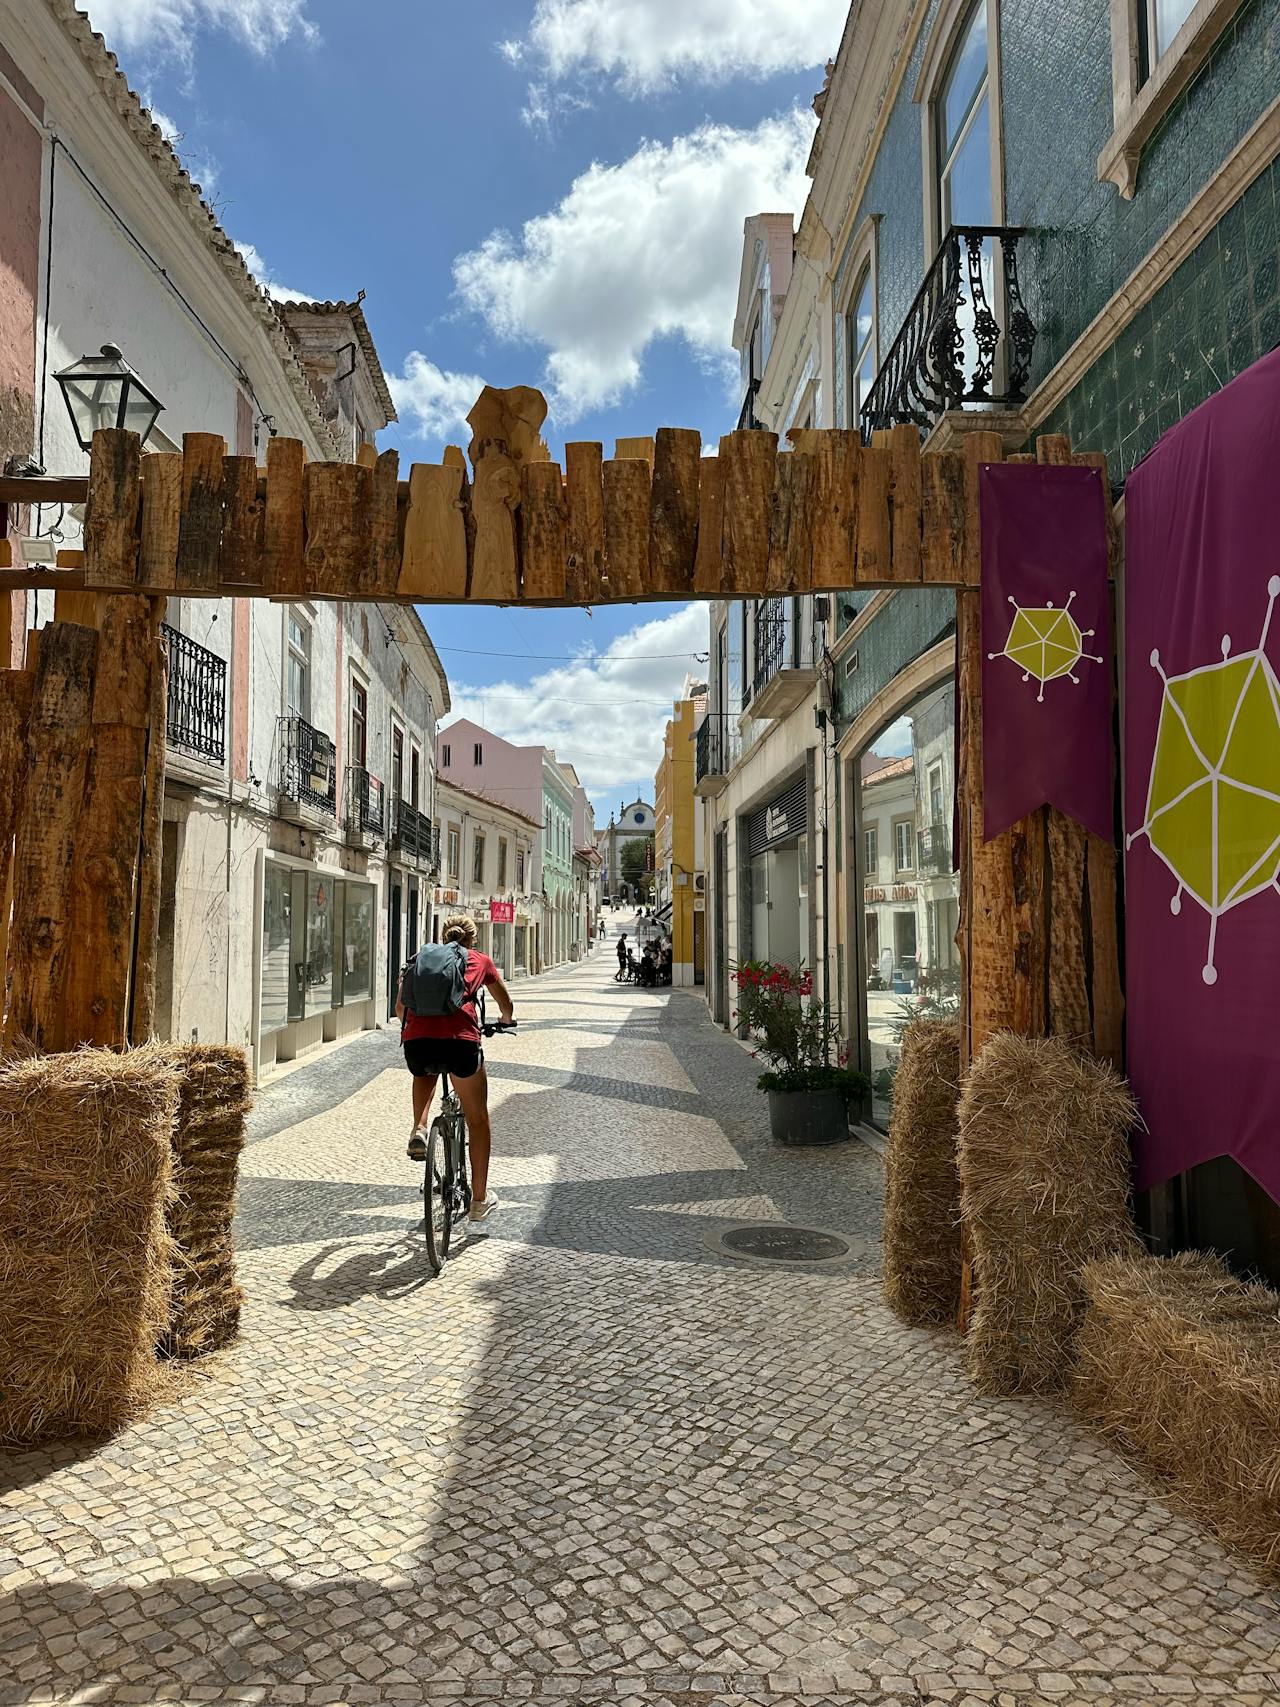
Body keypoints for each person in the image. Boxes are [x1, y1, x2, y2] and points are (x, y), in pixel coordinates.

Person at [396, 914, 513, 1222]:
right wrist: (505, 1020)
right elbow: (506, 1004)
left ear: (443, 934)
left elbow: (400, 1008)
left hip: (418, 1042)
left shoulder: (420, 958)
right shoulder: (480, 960)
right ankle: (479, 1200)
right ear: (471, 939)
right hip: (460, 1043)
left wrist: (421, 1026)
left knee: (425, 1071)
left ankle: (419, 1128)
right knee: (477, 1120)